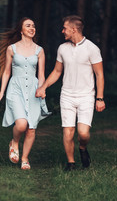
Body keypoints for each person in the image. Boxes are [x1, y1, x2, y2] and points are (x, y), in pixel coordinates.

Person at [36, 15, 105, 171]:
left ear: (74, 29)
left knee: (83, 133)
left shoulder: (92, 49)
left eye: (65, 28)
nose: (62, 31)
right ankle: (71, 163)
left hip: (86, 96)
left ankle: (82, 148)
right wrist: (43, 87)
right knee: (68, 131)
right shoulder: (62, 48)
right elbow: (57, 71)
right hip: (66, 95)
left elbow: (99, 75)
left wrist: (99, 98)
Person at [0, 17, 50, 170]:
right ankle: (14, 142)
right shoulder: (12, 49)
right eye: (28, 25)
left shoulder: (40, 50)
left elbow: (42, 74)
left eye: (33, 26)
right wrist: (1, 92)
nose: (32, 28)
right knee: (21, 124)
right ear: (21, 30)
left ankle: (24, 158)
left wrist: (42, 88)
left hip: (33, 90)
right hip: (16, 89)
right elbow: (6, 72)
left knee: (31, 128)